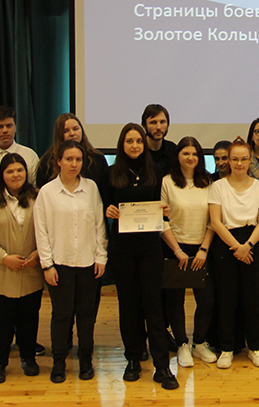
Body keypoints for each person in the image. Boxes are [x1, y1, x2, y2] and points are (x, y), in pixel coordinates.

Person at [101, 124, 179, 390]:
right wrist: (109, 210)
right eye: (129, 141)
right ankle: (133, 359)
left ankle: (162, 366)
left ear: (144, 145)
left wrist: (164, 210)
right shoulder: (111, 173)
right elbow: (105, 205)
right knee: (129, 304)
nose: (134, 145)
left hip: (149, 247)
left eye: (138, 141)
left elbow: (160, 206)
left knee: (153, 305)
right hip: (122, 248)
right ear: (122, 144)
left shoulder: (154, 172)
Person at [34, 140, 109, 384]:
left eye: (78, 160)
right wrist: (47, 265)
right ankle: (59, 362)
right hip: (60, 264)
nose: (74, 164)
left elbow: (99, 225)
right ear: (59, 161)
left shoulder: (91, 188)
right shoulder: (47, 192)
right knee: (61, 315)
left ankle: (86, 360)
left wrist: (101, 256)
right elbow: (41, 231)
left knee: (86, 315)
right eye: (69, 159)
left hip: (88, 264)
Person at [0, 154, 44, 384]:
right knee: (0, 320)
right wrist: (4, 258)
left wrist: (38, 254)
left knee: (29, 317)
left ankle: (28, 358)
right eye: (10, 171)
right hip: (0, 272)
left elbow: (49, 229)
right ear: (2, 175)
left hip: (31, 270)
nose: (16, 175)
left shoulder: (39, 198)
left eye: (19, 170)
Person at [208, 140, 259, 368]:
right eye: (234, 159)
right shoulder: (218, 187)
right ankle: (227, 348)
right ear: (228, 160)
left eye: (244, 159)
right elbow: (216, 222)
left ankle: (255, 348)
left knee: (253, 298)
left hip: (252, 243)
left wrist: (247, 245)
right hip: (226, 244)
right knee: (226, 298)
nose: (239, 163)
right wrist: (237, 247)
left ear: (250, 161)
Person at [161, 136, 217, 367]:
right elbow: (162, 220)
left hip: (203, 248)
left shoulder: (209, 183)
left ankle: (199, 343)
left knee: (207, 300)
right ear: (178, 156)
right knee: (175, 301)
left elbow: (214, 219)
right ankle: (182, 344)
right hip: (175, 248)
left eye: (194, 154)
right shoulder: (167, 182)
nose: (190, 157)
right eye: (185, 153)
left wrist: (203, 249)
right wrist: (177, 250)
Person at [37, 113, 109, 187]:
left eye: (75, 129)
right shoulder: (48, 162)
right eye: (66, 131)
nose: (72, 133)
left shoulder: (97, 158)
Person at [142, 104, 177, 180]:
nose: (158, 127)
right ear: (144, 125)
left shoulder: (173, 150)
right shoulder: (138, 150)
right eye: (153, 122)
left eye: (162, 122)